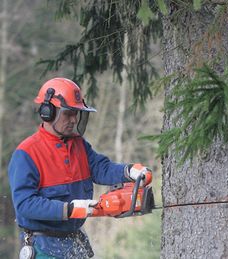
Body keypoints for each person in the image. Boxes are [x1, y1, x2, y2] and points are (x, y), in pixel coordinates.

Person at [7, 78, 153, 258]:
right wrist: (68, 209)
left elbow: (101, 168)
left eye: (76, 113)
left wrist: (129, 171)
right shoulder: (26, 154)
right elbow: (25, 204)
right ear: (48, 112)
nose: (74, 119)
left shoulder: (79, 145)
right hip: (42, 246)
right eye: (68, 113)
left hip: (74, 242)